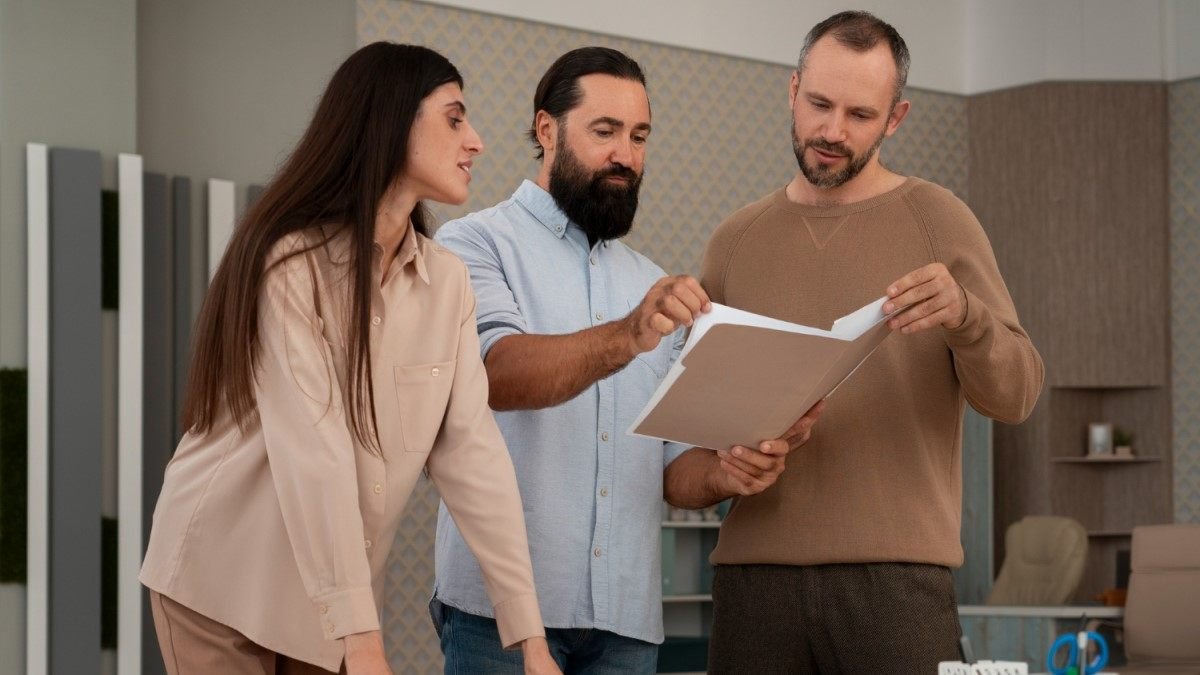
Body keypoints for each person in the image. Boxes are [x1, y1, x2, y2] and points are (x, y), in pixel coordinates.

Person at [140, 42, 559, 675]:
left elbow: (474, 455)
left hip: (331, 602)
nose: (475, 141)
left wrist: (529, 634)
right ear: (390, 121)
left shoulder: (447, 281)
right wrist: (362, 639)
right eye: (454, 117)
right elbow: (316, 448)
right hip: (220, 581)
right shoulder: (289, 264)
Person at [664, 11, 1045, 674]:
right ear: (791, 91)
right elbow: (687, 448)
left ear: (896, 118)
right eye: (818, 104)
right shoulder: (735, 240)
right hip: (754, 586)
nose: (832, 131)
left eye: (860, 115)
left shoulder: (941, 220)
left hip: (897, 588)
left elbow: (1017, 395)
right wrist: (726, 468)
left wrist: (967, 316)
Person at [431, 47, 820, 674]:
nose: (626, 156)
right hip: (498, 618)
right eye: (605, 132)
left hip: (628, 625)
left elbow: (670, 470)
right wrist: (628, 335)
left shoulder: (648, 283)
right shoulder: (471, 244)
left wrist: (729, 473)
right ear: (546, 130)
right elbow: (494, 374)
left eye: (639, 137)